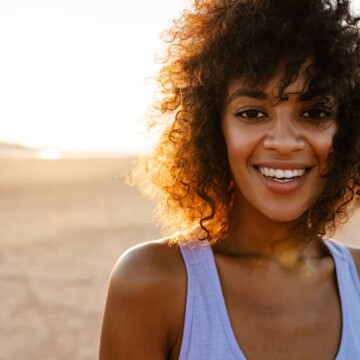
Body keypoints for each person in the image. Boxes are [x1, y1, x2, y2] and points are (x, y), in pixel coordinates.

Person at [99, 0, 360, 358]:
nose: (284, 142)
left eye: (315, 112)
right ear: (211, 129)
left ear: (346, 131)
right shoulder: (153, 282)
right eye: (252, 113)